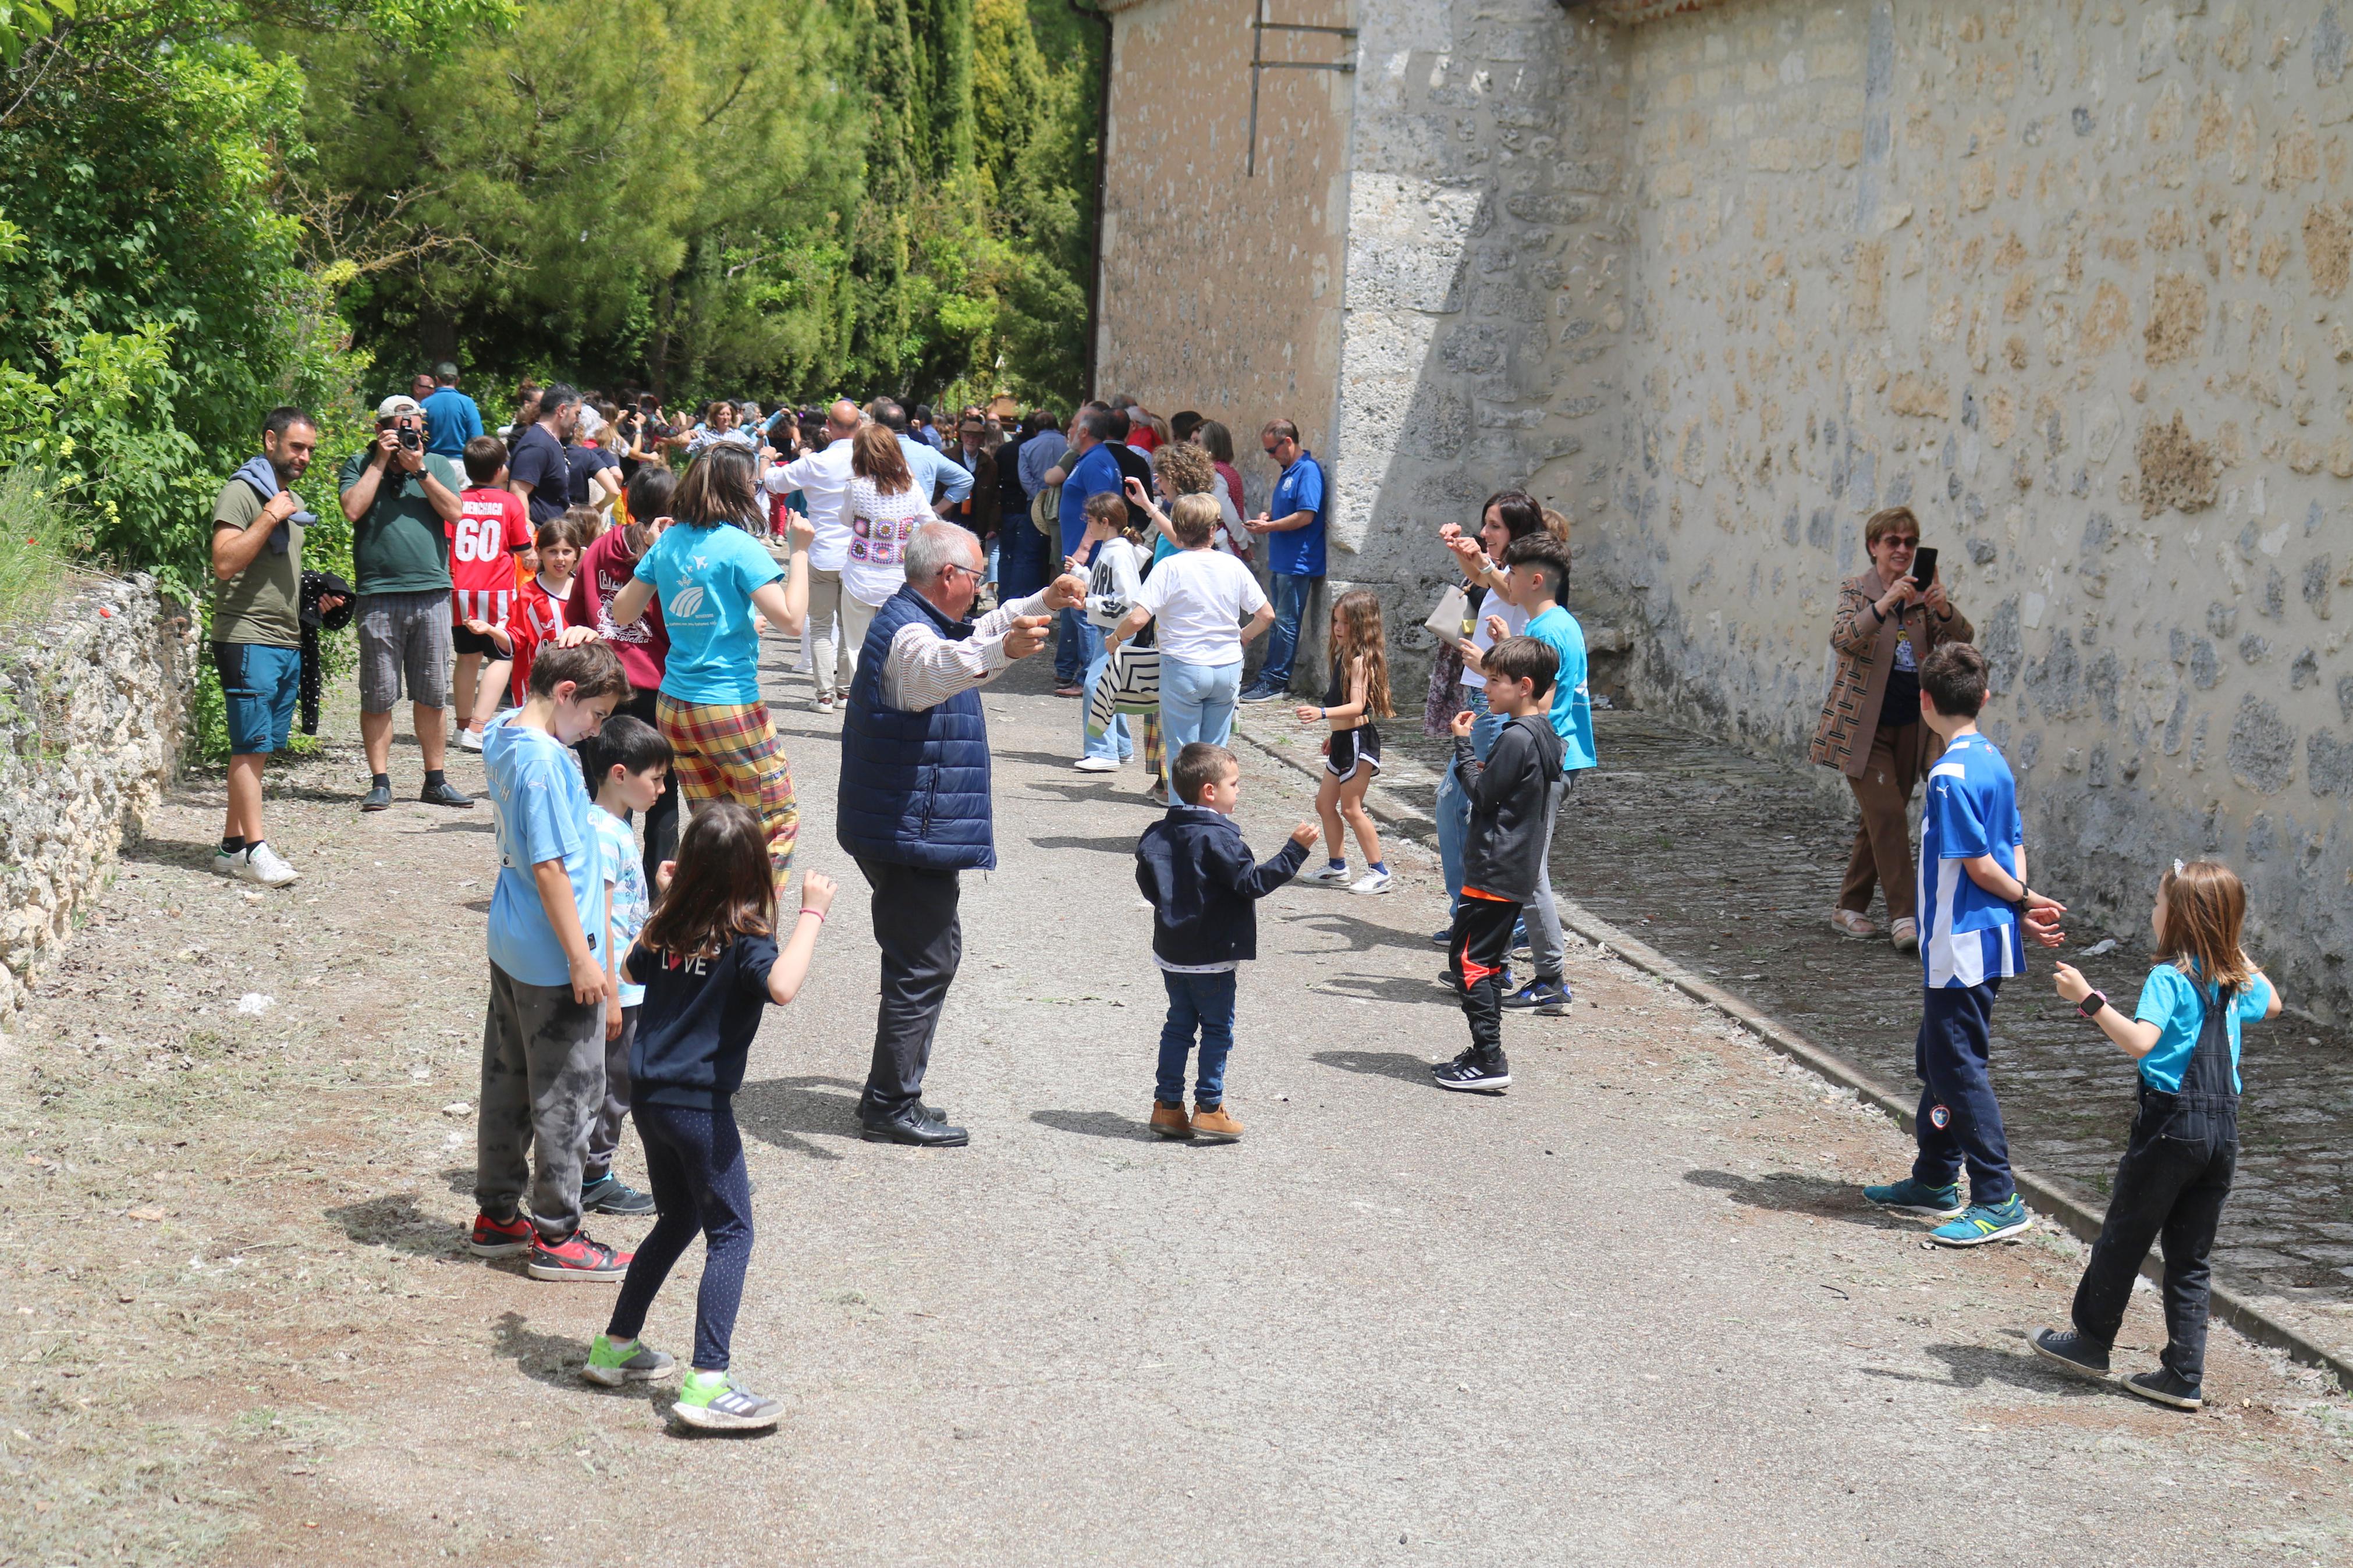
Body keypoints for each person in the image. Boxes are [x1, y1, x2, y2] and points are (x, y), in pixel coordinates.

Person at [583, 804, 837, 1430]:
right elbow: (781, 987)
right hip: (698, 1104)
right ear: (753, 871)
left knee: (679, 1219)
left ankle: (615, 1346)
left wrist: (668, 899)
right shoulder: (748, 937)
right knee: (732, 1233)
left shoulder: (668, 926)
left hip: (649, 1097)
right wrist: (811, 914)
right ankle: (706, 1382)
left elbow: (631, 966)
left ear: (689, 866)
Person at [835, 521, 1086, 1147]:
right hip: (906, 828)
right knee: (923, 961)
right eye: (976, 575)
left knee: (926, 955)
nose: (982, 587)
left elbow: (978, 630)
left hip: (905, 823)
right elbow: (941, 668)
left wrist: (1042, 603)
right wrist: (1007, 651)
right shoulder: (909, 634)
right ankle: (891, 1103)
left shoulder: (916, 614)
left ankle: (885, 1093)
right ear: (948, 576)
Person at [2033, 861, 2282, 1411]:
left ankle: (2091, 1342)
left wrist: (2087, 998)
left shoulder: (2167, 978)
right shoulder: (2235, 982)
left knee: (2125, 1233)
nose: (2152, 910)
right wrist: (2229, 943)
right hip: (2221, 1134)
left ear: (2180, 918)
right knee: (2190, 1256)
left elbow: (2141, 1042)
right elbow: (2273, 1002)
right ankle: (2183, 1374)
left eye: (2157, 902)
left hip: (2169, 1128)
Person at [1862, 642, 2067, 1246]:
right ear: (1983, 698)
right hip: (1985, 933)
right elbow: (2012, 844)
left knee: (1955, 1064)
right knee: (1936, 1055)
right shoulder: (1992, 761)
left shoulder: (1948, 775)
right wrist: (2019, 901)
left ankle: (1996, 1195)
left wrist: (2021, 902)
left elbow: (1978, 863)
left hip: (1958, 941)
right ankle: (1932, 1178)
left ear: (1923, 702)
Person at [467, 639, 634, 1281]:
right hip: (553, 953)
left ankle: (497, 1213)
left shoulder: (508, 730)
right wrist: (582, 958)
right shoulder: (545, 764)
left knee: (507, 1078)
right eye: (595, 715)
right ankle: (558, 1233)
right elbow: (550, 867)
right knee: (571, 1092)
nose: (597, 730)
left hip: (511, 938)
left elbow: (545, 681)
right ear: (566, 696)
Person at [606, 445, 812, 894]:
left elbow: (622, 612)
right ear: (737, 490)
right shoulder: (739, 546)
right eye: (754, 483)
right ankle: (752, 930)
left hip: (675, 705)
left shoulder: (671, 542)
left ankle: (706, 922)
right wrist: (799, 553)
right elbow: (793, 620)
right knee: (773, 823)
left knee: (712, 825)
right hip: (728, 705)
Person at [1810, 506, 1975, 952]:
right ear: (1873, 547)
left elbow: (1960, 645)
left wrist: (1942, 610)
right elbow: (1843, 638)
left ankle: (1848, 906)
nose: (1902, 549)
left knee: (1878, 819)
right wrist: (1884, 604)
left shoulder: (1924, 597)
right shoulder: (1856, 590)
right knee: (1886, 816)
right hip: (1861, 728)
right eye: (1892, 542)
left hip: (1912, 727)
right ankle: (1905, 917)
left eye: (1909, 542)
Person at [1134, 742, 1318, 1142]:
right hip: (1213, 957)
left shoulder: (1156, 833)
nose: (1239, 790)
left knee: (1178, 1026)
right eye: (1233, 783)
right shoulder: (1219, 839)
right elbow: (1251, 883)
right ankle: (1209, 1107)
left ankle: (1166, 1106)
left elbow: (1149, 886)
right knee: (1217, 1029)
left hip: (1171, 952)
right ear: (1209, 791)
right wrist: (1294, 851)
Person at [210, 407, 340, 886]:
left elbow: (271, 573)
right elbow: (225, 562)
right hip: (246, 635)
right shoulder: (244, 492)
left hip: (284, 637)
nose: (304, 456)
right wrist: (268, 515)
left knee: (259, 747)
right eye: (296, 447)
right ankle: (255, 851)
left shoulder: (290, 498)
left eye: (310, 449)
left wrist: (316, 599)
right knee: (248, 746)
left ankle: (231, 847)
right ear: (270, 441)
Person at [1434, 636, 1564, 1094]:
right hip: (1514, 867)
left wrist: (1463, 748)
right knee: (1484, 961)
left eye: (1494, 680)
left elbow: (1484, 795)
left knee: (1468, 960)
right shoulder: (1544, 733)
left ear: (1523, 685)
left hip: (1494, 869)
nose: (1485, 688)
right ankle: (1482, 1051)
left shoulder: (1514, 736)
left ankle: (1489, 1058)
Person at [1478, 532, 1598, 1015]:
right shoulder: (1559, 624)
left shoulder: (1548, 631)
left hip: (1545, 761)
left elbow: (1542, 704)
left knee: (1527, 869)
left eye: (1509, 571)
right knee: (1518, 864)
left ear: (1532, 579)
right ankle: (1498, 963)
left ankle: (1550, 978)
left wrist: (1490, 669)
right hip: (1557, 757)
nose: (1503, 579)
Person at [339, 393, 470, 812]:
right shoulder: (359, 465)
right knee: (378, 693)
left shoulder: (439, 466)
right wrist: (381, 462)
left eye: (414, 427)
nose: (409, 434)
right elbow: (352, 509)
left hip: (431, 592)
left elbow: (455, 513)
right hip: (379, 594)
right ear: (380, 430)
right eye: (399, 427)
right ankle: (380, 781)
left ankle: (436, 779)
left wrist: (422, 471)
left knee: (432, 692)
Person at [1431, 491, 1546, 957]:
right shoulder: (1503, 569)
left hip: (1494, 696)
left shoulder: (1526, 573)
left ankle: (1489, 917)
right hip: (1481, 691)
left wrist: (1481, 562)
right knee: (1451, 805)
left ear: (1517, 532)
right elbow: (1485, 582)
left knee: (1473, 808)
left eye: (1494, 526)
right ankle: (1469, 909)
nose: (1486, 532)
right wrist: (1466, 554)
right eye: (1485, 524)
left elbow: (1507, 591)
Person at [1109, 492, 1272, 804]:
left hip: (1183, 665)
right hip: (1226, 668)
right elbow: (1266, 615)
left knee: (1183, 752)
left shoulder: (1169, 568)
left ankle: (1183, 822)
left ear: (1178, 529)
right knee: (1216, 754)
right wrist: (1244, 636)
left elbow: (1139, 618)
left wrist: (1115, 639)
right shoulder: (1233, 566)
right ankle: (1214, 823)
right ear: (1213, 530)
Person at [565, 467, 679, 886]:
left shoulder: (598, 547)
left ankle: (604, 880)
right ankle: (658, 890)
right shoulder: (673, 556)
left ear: (627, 504)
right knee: (661, 789)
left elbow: (576, 612)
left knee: (611, 790)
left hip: (607, 690)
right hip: (658, 686)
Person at [581, 713, 670, 1219]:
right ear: (619, 774)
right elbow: (598, 920)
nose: (661, 789)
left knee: (618, 1081)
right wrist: (614, 994)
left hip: (625, 985)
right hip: (617, 989)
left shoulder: (612, 828)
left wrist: (659, 892)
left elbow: (622, 912)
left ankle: (594, 1170)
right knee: (614, 1085)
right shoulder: (603, 835)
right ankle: (594, 1176)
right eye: (654, 778)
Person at [1290, 589, 1395, 895]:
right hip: (1343, 739)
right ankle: (1337, 867)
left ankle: (1380, 871)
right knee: (1324, 804)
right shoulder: (1344, 656)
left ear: (1363, 625)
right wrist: (1333, 732)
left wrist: (1321, 713)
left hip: (1359, 742)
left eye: (1346, 623)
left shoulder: (1361, 661)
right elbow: (1346, 710)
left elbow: (1357, 706)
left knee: (1352, 809)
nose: (1338, 628)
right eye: (1336, 621)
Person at [769, 399, 861, 711]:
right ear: (860, 426)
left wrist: (766, 459)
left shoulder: (816, 463)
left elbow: (774, 482)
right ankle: (846, 693)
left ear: (828, 428)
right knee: (851, 626)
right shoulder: (868, 463)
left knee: (821, 625)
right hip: (856, 556)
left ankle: (823, 695)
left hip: (820, 554)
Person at [449, 436, 533, 752]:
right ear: (501, 469)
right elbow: (523, 549)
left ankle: (461, 726)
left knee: (466, 658)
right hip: (496, 589)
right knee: (503, 655)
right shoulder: (509, 502)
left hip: (460, 588)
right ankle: (479, 726)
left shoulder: (456, 498)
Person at [840, 422, 939, 684]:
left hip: (858, 575)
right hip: (897, 578)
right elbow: (930, 523)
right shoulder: (912, 489)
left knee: (856, 647)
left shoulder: (855, 486)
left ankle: (860, 698)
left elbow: (844, 519)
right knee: (894, 645)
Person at [1238, 418, 1327, 702]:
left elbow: (1306, 515)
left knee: (1285, 622)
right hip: (1284, 560)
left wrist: (1269, 527)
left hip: (1298, 561)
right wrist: (1269, 518)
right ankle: (1268, 678)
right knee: (1277, 621)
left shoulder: (1308, 471)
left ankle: (1275, 682)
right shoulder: (1290, 470)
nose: (1270, 456)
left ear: (1288, 441)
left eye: (1271, 450)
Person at [1052, 408, 1126, 695]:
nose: (1068, 431)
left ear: (1084, 432)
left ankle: (1088, 679)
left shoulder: (1096, 463)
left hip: (1086, 556)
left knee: (1085, 615)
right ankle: (1069, 671)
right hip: (1077, 553)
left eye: (1071, 426)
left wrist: (1083, 550)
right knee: (1073, 611)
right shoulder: (1089, 460)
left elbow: (1101, 509)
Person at [1070, 491, 1145, 774]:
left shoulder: (1120, 551)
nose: (1087, 527)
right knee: (1114, 687)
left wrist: (1087, 601)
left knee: (1096, 686)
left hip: (1118, 630)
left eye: (1090, 521)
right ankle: (1121, 748)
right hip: (1113, 628)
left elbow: (1127, 600)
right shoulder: (1113, 547)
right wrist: (1081, 574)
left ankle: (1103, 751)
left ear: (1104, 522)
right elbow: (1106, 587)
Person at [505, 514, 581, 705]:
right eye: (553, 551)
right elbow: (515, 638)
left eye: (567, 552)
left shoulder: (583, 591)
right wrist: (492, 632)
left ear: (577, 554)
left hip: (577, 681)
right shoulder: (529, 593)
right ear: (539, 552)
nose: (560, 559)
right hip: (535, 684)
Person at [507, 385, 578, 526]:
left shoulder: (548, 441)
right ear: (562, 410)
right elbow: (518, 492)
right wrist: (526, 541)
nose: (577, 420)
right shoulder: (538, 444)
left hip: (552, 536)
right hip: (539, 537)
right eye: (577, 414)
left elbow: (503, 474)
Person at [1191, 421, 1250, 562]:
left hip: (1222, 544)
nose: (1193, 447)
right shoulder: (1227, 471)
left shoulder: (1214, 475)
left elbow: (1228, 513)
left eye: (1198, 442)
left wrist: (1243, 544)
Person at [420, 363, 484, 459]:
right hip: (461, 463)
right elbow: (477, 438)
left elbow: (420, 435)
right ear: (457, 380)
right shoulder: (467, 403)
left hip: (432, 462)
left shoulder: (425, 404)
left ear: (437, 380)